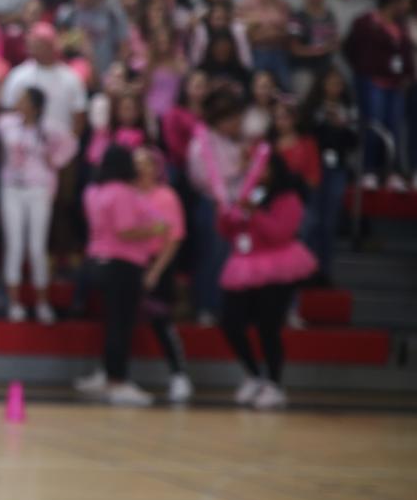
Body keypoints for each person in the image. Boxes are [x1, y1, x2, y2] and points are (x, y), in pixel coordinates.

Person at [217, 152, 317, 411]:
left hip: (277, 266)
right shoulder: (246, 194)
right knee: (230, 322)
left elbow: (280, 233)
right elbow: (228, 231)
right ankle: (254, 374)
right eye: (253, 168)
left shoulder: (288, 198)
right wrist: (227, 210)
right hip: (243, 264)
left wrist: (255, 214)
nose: (257, 173)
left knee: (268, 327)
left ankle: (274, 383)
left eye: (262, 168)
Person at [76, 146, 166, 407]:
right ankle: (118, 380)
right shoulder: (124, 192)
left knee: (112, 322)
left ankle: (107, 374)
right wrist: (153, 230)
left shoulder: (93, 191)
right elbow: (126, 231)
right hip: (123, 264)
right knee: (121, 325)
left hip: (98, 260)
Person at [0, 86, 77, 324]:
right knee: (15, 245)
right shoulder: (5, 124)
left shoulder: (50, 128)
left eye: (24, 100)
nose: (19, 104)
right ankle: (14, 303)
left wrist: (55, 161)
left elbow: (71, 145)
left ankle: (42, 302)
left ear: (35, 105)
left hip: (39, 188)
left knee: (37, 246)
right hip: (11, 188)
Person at [342, 0, 412, 190]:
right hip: (372, 82)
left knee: (393, 128)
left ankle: (390, 172)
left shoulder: (401, 26)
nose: (408, 5)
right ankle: (369, 170)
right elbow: (349, 48)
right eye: (406, 0)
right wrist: (363, 70)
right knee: (374, 126)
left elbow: (405, 54)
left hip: (395, 85)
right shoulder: (366, 22)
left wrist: (407, 75)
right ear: (395, 0)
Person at [134, 146, 191, 403]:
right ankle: (111, 371)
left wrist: (155, 271)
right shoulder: (128, 195)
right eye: (136, 163)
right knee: (119, 321)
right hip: (131, 262)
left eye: (146, 162)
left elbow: (173, 238)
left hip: (159, 262)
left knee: (161, 321)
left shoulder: (166, 196)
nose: (140, 168)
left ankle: (179, 374)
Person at [187, 87, 248, 326]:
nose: (236, 123)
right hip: (211, 205)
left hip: (235, 207)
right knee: (210, 256)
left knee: (229, 258)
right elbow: (200, 176)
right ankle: (205, 305)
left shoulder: (237, 143)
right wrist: (238, 169)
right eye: (232, 119)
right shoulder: (201, 141)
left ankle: (225, 306)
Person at [299, 69, 358, 283]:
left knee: (329, 221)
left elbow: (354, 142)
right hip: (314, 167)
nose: (334, 88)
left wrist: (342, 126)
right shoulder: (312, 108)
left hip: (337, 169)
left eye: (338, 84)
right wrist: (323, 122)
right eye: (330, 83)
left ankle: (324, 270)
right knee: (311, 220)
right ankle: (307, 268)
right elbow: (305, 133)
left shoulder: (348, 110)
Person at [57, 0, 126, 79]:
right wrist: (77, 40)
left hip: (107, 72)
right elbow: (59, 43)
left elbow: (123, 45)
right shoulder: (67, 13)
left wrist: (118, 66)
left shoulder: (113, 13)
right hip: (78, 73)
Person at [239, 0, 292, 89]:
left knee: (285, 87)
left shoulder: (284, 6)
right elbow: (244, 36)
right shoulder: (248, 4)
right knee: (256, 88)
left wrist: (265, 32)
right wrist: (272, 33)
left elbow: (287, 33)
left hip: (279, 53)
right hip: (257, 53)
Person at [287, 0, 339, 97]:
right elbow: (294, 48)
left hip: (325, 70)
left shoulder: (329, 15)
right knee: (304, 104)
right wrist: (318, 50)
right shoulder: (297, 17)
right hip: (304, 70)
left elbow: (334, 39)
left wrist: (334, 44)